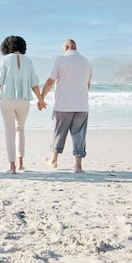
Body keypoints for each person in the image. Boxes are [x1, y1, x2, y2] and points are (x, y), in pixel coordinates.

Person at [0, 35, 46, 174]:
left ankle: (12, 167)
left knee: (9, 132)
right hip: (24, 101)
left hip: (7, 100)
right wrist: (40, 100)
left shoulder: (4, 60)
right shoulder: (28, 61)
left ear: (6, 47)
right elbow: (34, 83)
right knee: (20, 130)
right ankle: (21, 164)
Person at [41, 39, 92, 173]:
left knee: (59, 133)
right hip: (82, 105)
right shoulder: (86, 61)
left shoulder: (60, 59)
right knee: (79, 135)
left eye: (63, 48)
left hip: (63, 104)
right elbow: (88, 85)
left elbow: (50, 81)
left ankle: (53, 161)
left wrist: (41, 98)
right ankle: (78, 166)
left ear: (67, 46)